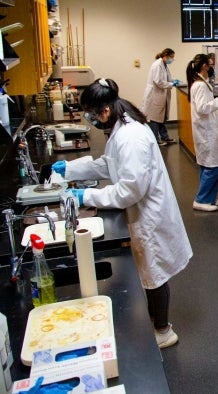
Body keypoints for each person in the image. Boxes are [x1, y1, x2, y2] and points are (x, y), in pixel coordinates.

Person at [51, 78, 192, 349]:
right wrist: (70, 170)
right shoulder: (120, 126)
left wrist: (86, 196)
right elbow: (109, 164)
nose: (91, 120)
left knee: (154, 273)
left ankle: (163, 331)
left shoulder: (130, 136)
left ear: (104, 110)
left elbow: (129, 190)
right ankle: (157, 323)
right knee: (151, 272)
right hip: (143, 210)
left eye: (92, 114)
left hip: (149, 213)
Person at [186, 53, 218, 212]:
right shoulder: (199, 85)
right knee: (213, 167)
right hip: (205, 132)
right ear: (204, 66)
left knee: (207, 166)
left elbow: (205, 108)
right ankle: (201, 200)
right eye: (210, 65)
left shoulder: (201, 83)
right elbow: (202, 108)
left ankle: (209, 199)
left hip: (206, 129)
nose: (212, 68)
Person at [142, 48, 179, 146]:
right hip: (155, 94)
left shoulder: (164, 65)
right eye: (171, 57)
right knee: (154, 119)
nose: (172, 59)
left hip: (161, 94)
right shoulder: (157, 65)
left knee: (161, 118)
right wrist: (171, 84)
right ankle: (156, 139)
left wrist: (173, 81)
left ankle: (165, 137)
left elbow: (166, 78)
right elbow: (158, 81)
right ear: (166, 55)